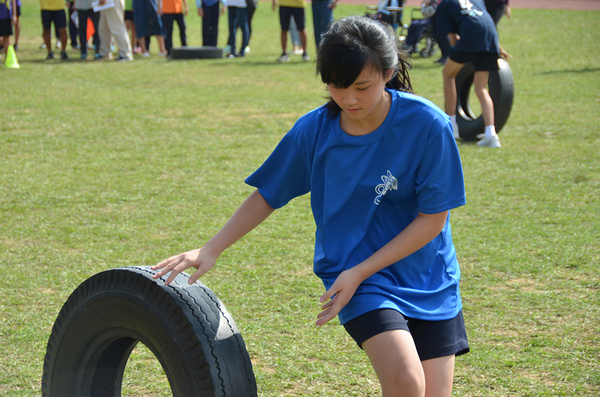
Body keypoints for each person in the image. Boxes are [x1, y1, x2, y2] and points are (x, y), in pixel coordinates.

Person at [152, 15, 469, 397]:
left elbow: (433, 220)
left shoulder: (427, 125)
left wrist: (361, 271)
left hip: (428, 276)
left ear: (388, 73)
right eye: (336, 85)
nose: (348, 99)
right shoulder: (314, 132)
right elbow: (269, 194)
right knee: (405, 381)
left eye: (361, 87)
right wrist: (211, 247)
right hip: (356, 276)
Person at [436, 0, 503, 147]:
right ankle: (491, 134)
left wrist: (467, 48)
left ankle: (452, 127)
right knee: (481, 88)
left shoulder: (444, 4)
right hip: (491, 36)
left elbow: (452, 40)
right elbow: (484, 20)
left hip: (471, 34)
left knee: (448, 75)